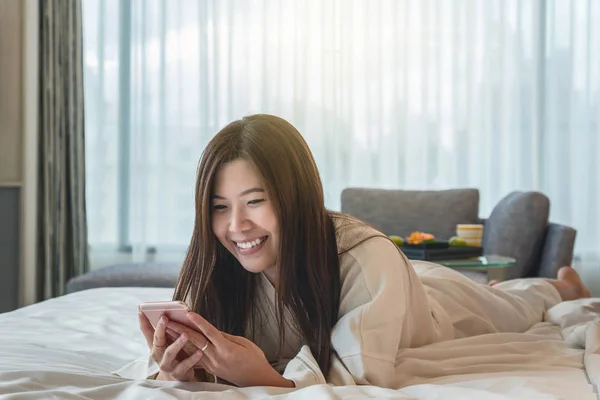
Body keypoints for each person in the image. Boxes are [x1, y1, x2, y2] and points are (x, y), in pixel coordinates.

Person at [136, 114, 590, 389]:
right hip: (398, 286)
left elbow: (358, 376)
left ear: (295, 195)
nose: (236, 227)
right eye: (220, 207)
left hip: (430, 306)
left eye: (255, 201)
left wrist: (264, 378)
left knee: (512, 305)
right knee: (489, 292)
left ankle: (558, 284)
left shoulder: (363, 255)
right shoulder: (218, 262)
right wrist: (180, 370)